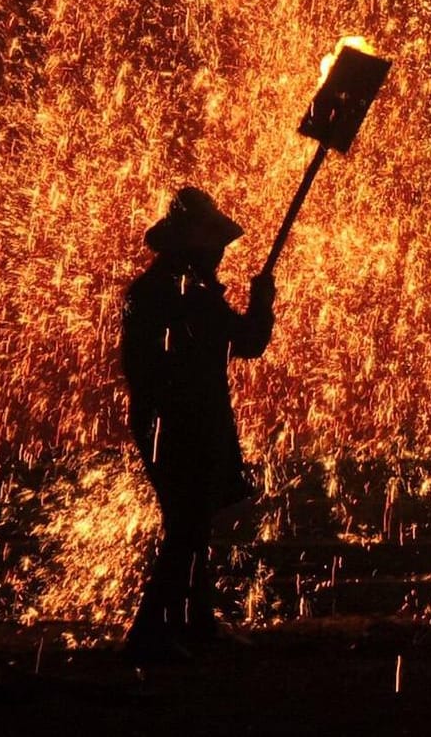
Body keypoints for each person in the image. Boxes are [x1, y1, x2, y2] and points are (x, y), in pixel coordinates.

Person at [119, 186, 275, 661]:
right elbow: (247, 343)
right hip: (184, 421)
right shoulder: (189, 294)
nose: (219, 255)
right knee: (188, 526)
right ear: (193, 245)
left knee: (192, 524)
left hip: (165, 420)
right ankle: (150, 634)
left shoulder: (155, 289)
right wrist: (262, 301)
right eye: (214, 247)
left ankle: (194, 623)